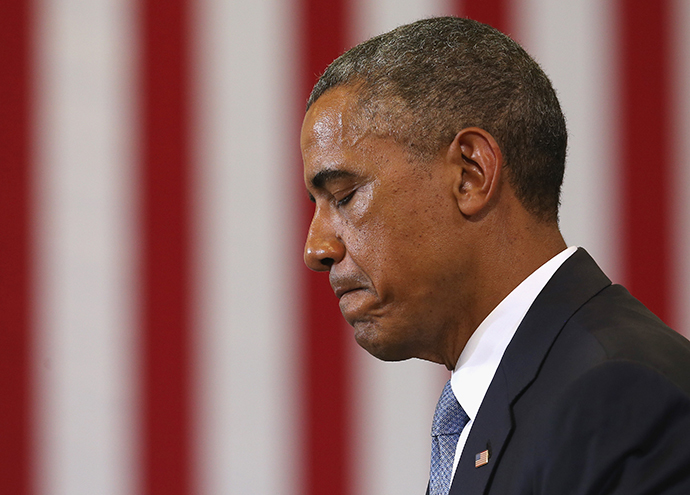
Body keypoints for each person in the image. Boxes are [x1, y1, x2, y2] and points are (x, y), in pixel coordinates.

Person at [300, 16, 690, 495]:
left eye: (343, 195)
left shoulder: (627, 397)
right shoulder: (515, 398)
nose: (316, 249)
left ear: (471, 174)